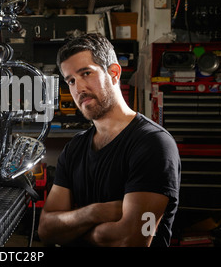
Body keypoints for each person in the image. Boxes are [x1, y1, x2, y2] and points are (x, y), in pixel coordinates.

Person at [38, 33, 181, 247]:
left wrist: (74, 230)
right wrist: (96, 212)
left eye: (86, 73)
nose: (79, 88)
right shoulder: (74, 148)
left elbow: (132, 240)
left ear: (114, 73)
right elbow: (46, 230)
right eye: (71, 80)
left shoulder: (153, 144)